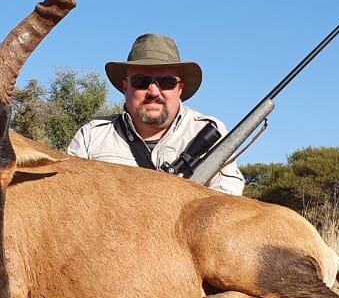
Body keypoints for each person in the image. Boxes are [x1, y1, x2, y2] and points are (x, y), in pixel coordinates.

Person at [67, 33, 245, 195]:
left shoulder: (210, 131)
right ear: (125, 87)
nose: (153, 91)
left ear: (179, 88)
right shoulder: (91, 136)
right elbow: (69, 197)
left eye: (166, 82)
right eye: (141, 81)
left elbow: (226, 202)